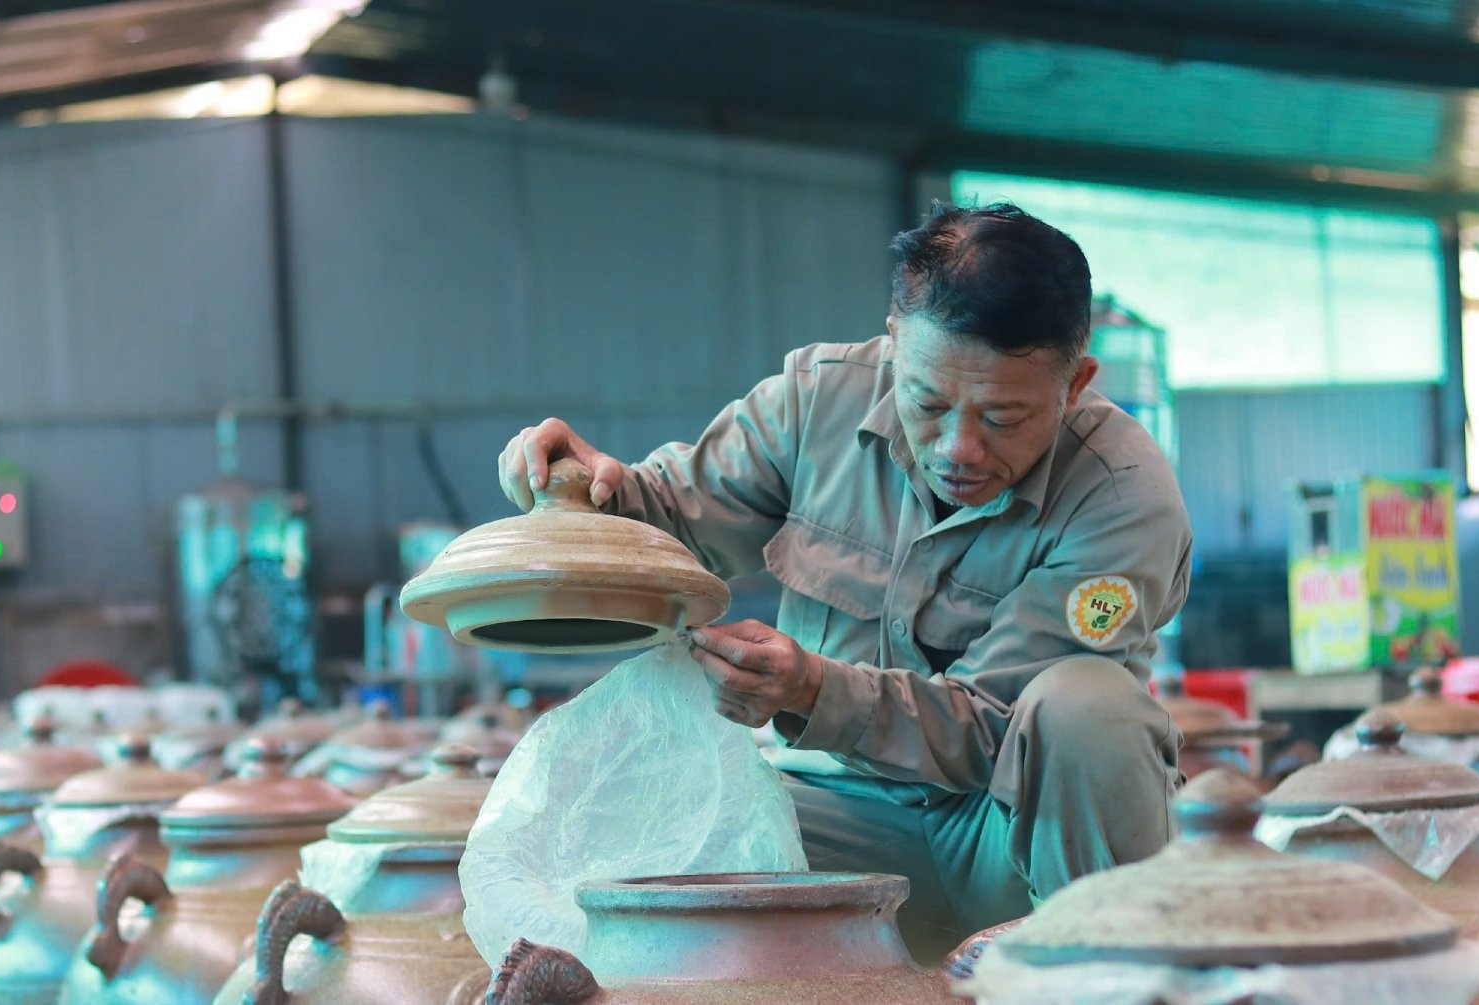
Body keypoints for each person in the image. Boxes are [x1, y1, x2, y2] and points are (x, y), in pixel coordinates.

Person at [497, 202, 1192, 963]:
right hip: (829, 826)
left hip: (1011, 837)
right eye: (928, 402)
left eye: (1002, 417)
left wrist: (811, 690)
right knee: (616, 850)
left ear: (1075, 381)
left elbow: (994, 727)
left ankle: (1107, 978)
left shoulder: (1122, 495)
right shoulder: (814, 401)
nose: (959, 446)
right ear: (895, 343)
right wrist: (585, 489)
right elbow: (671, 520)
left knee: (1092, 711)